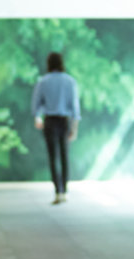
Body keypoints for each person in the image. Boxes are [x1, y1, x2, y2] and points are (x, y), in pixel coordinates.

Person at [32, 52, 81, 205]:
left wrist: (38, 117)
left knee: (53, 157)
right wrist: (74, 127)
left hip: (50, 121)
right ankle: (64, 190)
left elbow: (36, 104)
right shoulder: (69, 81)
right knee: (64, 156)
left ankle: (57, 191)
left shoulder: (43, 81)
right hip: (64, 121)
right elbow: (75, 107)